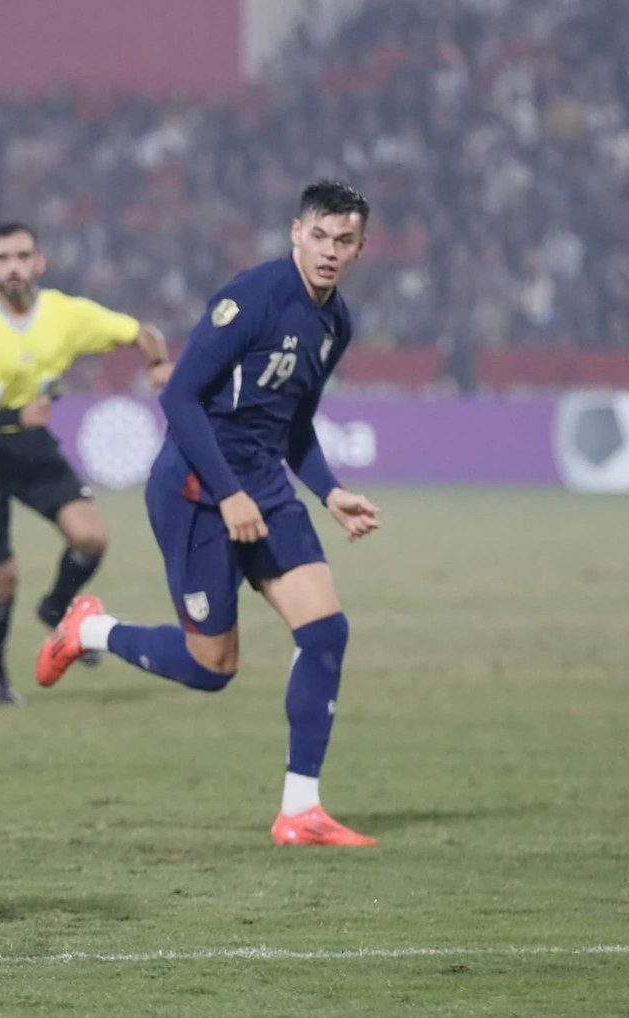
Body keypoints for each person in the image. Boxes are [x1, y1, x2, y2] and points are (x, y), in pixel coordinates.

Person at [36, 181, 381, 846]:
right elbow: (182, 400)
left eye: (345, 240)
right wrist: (229, 494)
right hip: (196, 492)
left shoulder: (336, 324)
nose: (330, 251)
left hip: (264, 491)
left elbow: (295, 423)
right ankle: (92, 629)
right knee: (211, 668)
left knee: (326, 632)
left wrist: (330, 491)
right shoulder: (251, 298)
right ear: (295, 234)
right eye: (319, 236)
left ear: (361, 249)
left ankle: (299, 811)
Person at [0, 223, 171, 705]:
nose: (14, 266)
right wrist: (13, 414)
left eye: (23, 255)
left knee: (91, 537)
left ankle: (58, 608)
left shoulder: (65, 314)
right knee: (2, 579)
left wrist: (158, 364)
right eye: (3, 258)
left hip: (31, 445)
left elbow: (141, 332)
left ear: (40, 261)